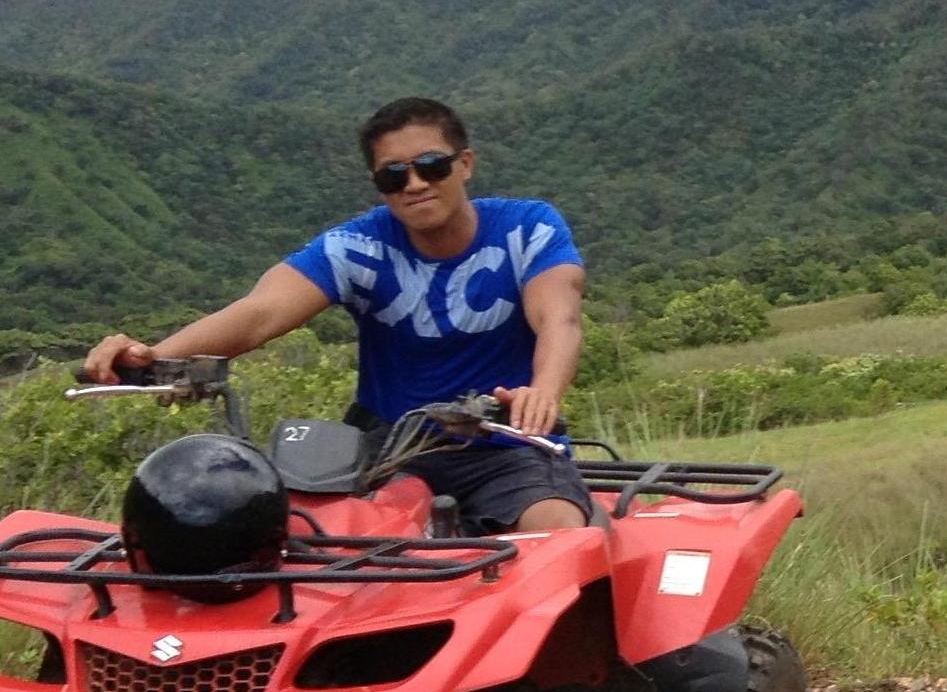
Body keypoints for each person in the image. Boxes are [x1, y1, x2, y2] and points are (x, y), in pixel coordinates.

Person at [83, 97, 593, 533]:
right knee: (304, 546)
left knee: (555, 532)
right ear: (379, 184)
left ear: (465, 164)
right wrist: (153, 356)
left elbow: (559, 318)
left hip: (506, 443)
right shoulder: (358, 247)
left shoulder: (528, 229)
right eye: (394, 175)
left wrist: (542, 392)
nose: (414, 184)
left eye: (431, 166)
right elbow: (260, 313)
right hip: (392, 448)